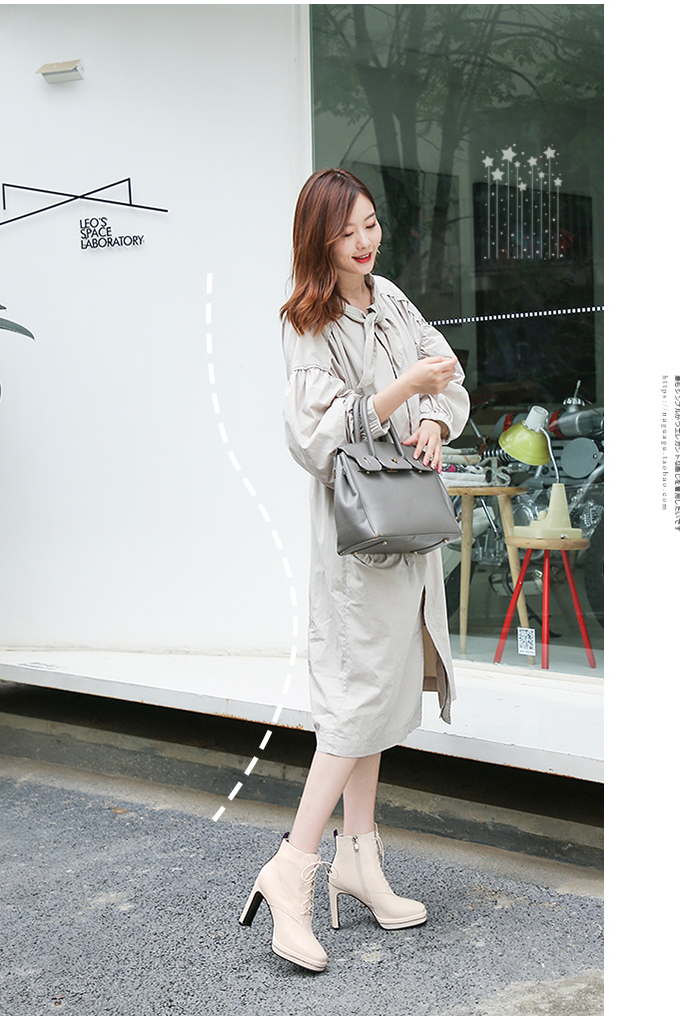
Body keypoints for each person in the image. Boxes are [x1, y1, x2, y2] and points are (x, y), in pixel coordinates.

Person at [239, 168, 469, 972]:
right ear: (319, 239)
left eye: (371, 224)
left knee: (382, 698)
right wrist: (405, 389)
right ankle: (292, 869)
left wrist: (434, 418)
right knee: (352, 707)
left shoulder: (392, 299)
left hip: (405, 534)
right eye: (348, 232)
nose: (366, 241)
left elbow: (449, 377)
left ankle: (360, 861)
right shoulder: (308, 321)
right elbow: (315, 438)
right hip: (356, 542)